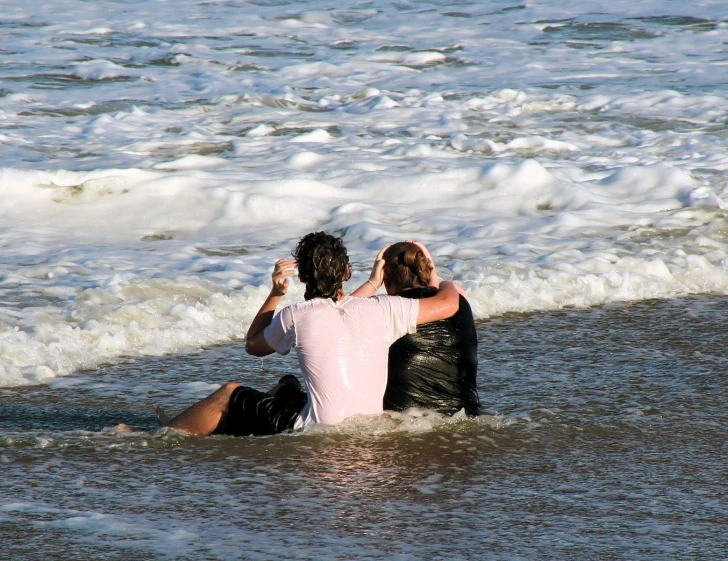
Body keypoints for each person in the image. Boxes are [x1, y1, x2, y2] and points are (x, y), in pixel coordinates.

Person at [155, 232, 462, 436]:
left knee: (230, 392)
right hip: (369, 429)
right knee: (287, 387)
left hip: (317, 430)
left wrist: (275, 293)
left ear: (301, 276)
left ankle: (168, 432)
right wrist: (433, 274)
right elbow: (449, 302)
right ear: (346, 273)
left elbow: (253, 345)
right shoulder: (384, 309)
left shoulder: (295, 316)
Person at [352, 241, 480, 416]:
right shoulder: (461, 303)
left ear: (386, 281)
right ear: (428, 271)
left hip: (406, 419)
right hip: (467, 416)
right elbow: (434, 292)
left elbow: (342, 315)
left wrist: (373, 282)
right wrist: (433, 272)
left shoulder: (385, 309)